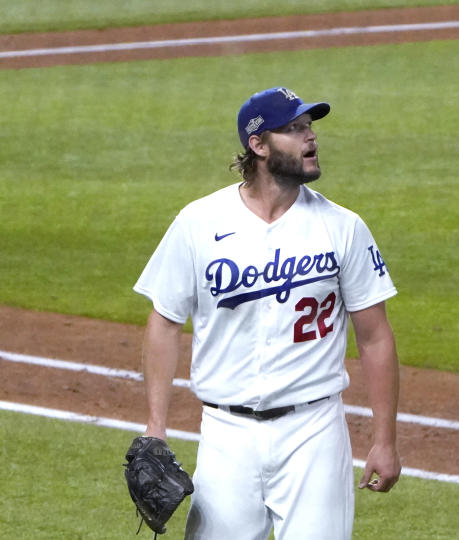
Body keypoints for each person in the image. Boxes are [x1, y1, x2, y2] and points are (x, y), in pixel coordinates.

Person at [132, 86, 401, 539]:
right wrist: (155, 427)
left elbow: (375, 336)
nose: (310, 137)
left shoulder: (344, 227)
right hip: (225, 436)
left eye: (310, 126)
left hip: (314, 434)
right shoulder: (199, 222)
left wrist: (385, 440)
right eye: (294, 129)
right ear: (258, 145)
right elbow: (164, 321)